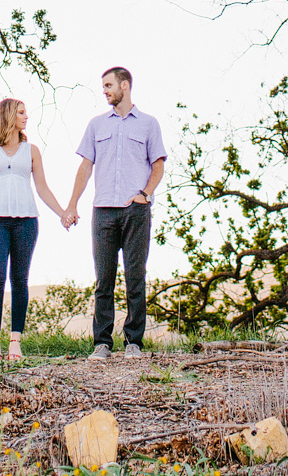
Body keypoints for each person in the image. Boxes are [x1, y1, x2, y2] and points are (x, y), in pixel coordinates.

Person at [63, 66, 166, 358]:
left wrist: (144, 195)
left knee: (135, 277)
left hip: (136, 211)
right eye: (104, 87)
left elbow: (158, 165)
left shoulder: (148, 124)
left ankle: (134, 342)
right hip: (103, 211)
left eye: (109, 85)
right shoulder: (96, 125)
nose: (105, 91)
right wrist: (72, 204)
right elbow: (85, 167)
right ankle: (102, 344)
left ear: (125, 85)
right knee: (103, 280)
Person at [0, 97, 73, 363]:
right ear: (7, 116)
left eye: (25, 112)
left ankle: (15, 342)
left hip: (26, 222)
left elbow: (42, 188)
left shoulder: (31, 151)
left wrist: (63, 212)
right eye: (21, 112)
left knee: (19, 280)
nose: (26, 116)